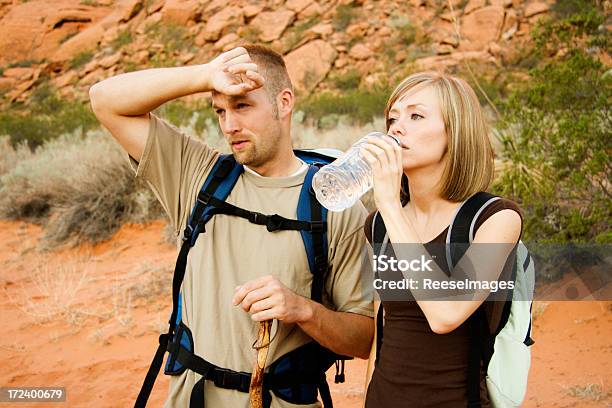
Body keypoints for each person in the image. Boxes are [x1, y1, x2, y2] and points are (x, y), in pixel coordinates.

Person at [89, 44, 374, 407]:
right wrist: (204, 74)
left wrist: (303, 310)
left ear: (284, 103)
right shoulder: (198, 176)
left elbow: (364, 338)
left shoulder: (335, 205)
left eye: (242, 106)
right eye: (220, 111)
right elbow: (103, 100)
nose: (229, 125)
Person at [361, 71, 523, 407]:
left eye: (416, 116)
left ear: (455, 132)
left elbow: (445, 313)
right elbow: (385, 327)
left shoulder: (494, 219)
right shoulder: (378, 224)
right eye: (393, 118)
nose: (396, 128)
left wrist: (390, 205)